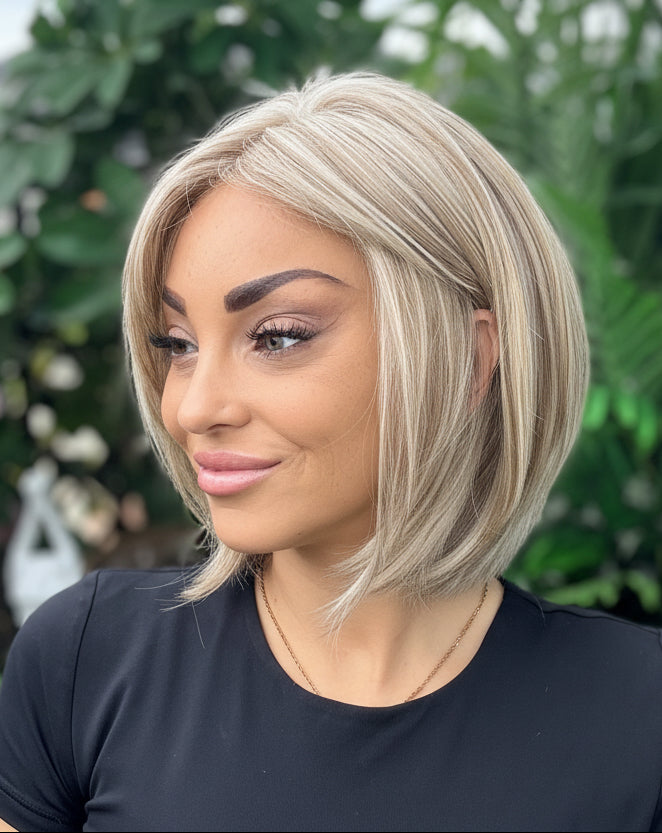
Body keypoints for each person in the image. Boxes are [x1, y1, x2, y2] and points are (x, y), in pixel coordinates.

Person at [0, 71, 660, 833]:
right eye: (176, 344)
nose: (192, 407)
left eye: (278, 336)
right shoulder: (88, 660)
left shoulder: (639, 716)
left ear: (467, 358)